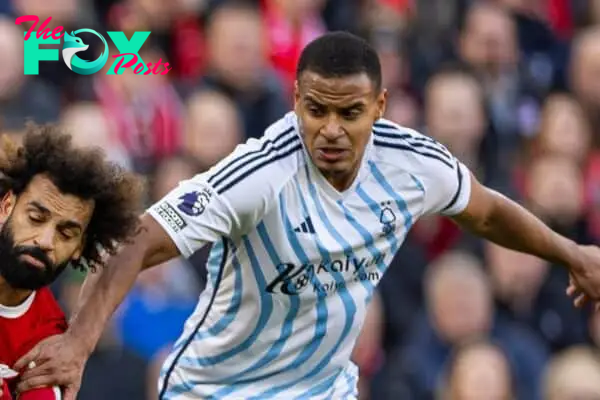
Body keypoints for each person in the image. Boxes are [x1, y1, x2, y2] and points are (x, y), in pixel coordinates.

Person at [14, 32, 600, 400]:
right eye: (316, 109)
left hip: (322, 387)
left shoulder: (415, 165)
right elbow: (139, 239)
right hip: (216, 388)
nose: (331, 130)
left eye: (350, 112)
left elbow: (489, 212)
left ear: (380, 106)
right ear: (295, 98)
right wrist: (81, 342)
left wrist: (571, 254)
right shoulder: (258, 175)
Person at [0, 124, 142, 399]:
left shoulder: (50, 348)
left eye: (66, 233)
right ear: (6, 206)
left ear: (80, 247)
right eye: (36, 218)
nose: (45, 241)